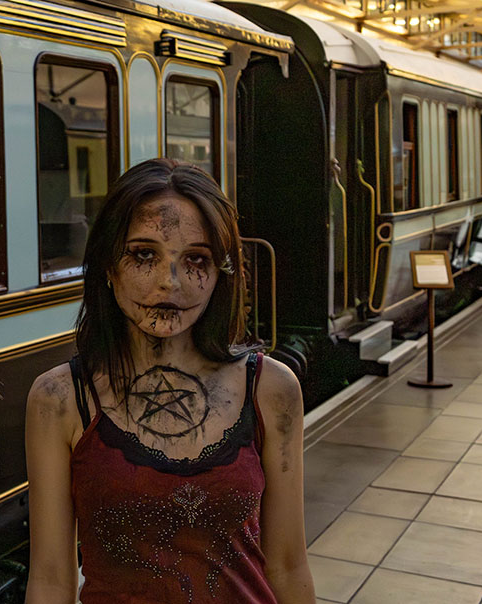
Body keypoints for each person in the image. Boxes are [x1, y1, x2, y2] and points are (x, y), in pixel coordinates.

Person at [24, 158, 314, 603]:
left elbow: (289, 565)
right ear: (108, 265)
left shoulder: (272, 390)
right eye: (144, 255)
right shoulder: (59, 400)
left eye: (195, 259)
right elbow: (50, 578)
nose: (169, 282)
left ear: (221, 273)